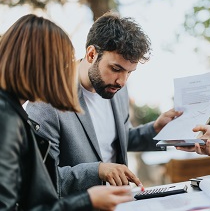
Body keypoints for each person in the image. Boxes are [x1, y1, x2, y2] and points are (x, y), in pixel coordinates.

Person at [26, 11, 182, 196]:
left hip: (121, 202)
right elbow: (41, 179)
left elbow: (116, 141)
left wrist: (155, 129)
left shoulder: (117, 89)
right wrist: (98, 170)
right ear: (91, 54)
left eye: (129, 72)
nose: (122, 81)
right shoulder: (46, 100)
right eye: (116, 69)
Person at [0, 14, 133, 211]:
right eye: (60, 65)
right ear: (38, 65)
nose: (64, 75)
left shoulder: (11, 113)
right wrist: (87, 200)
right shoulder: (7, 119)